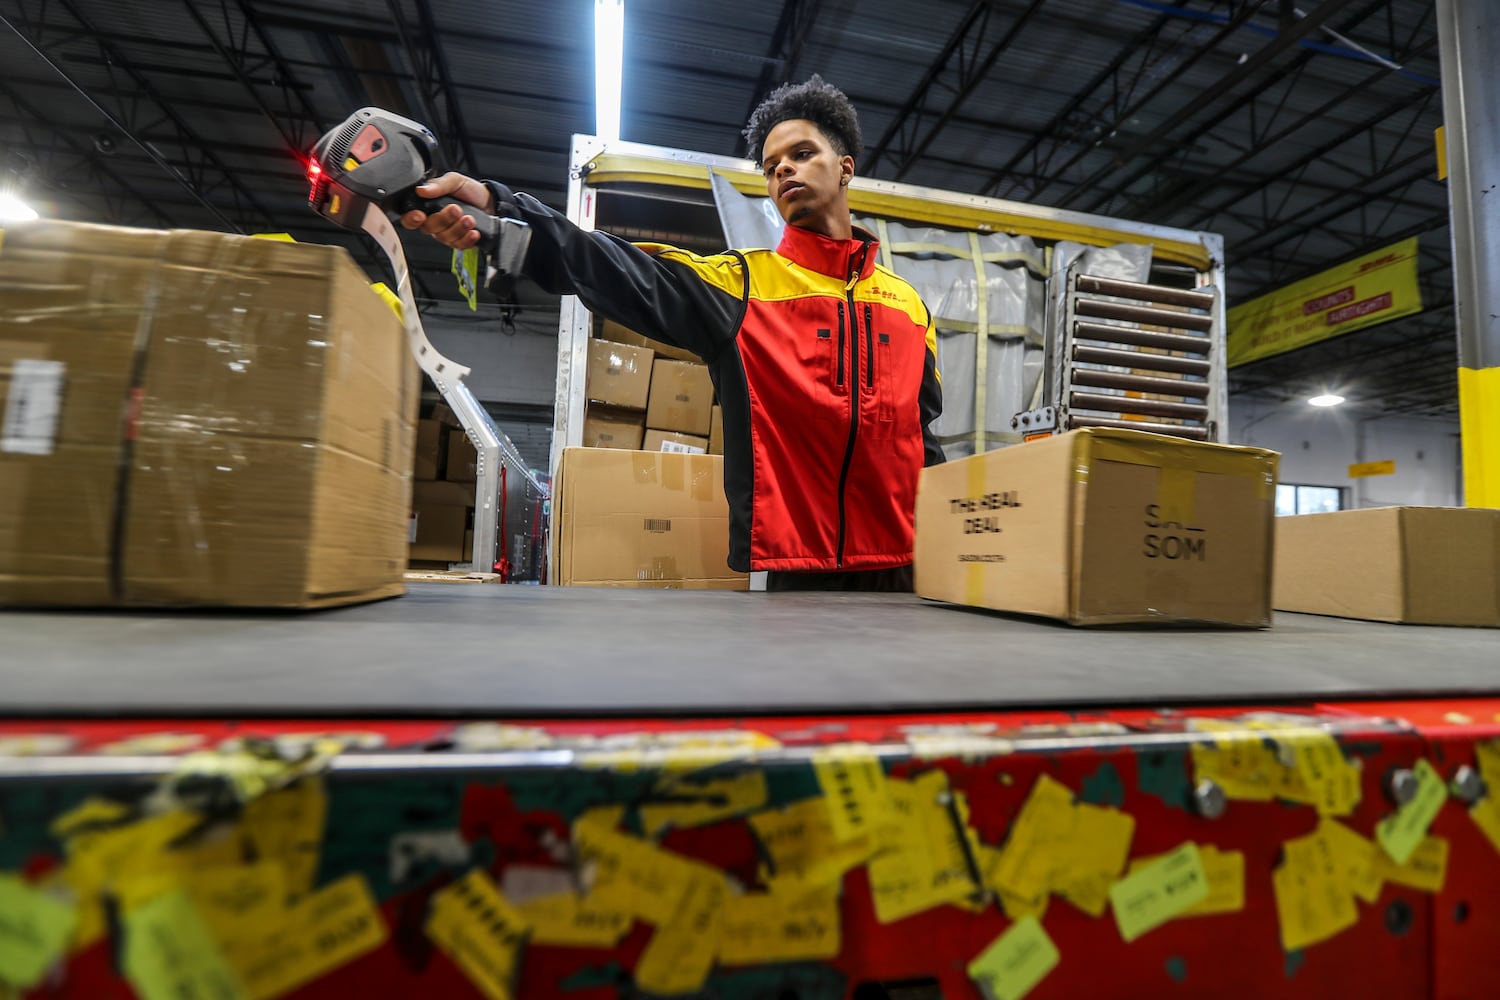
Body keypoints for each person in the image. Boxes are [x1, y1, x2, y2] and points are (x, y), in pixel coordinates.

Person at [403, 76, 942, 592]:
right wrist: (504, 212)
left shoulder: (909, 308)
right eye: (772, 166)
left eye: (802, 154)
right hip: (799, 574)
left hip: (907, 568)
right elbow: (615, 267)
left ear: (845, 168)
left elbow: (923, 438)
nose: (783, 172)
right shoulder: (744, 286)